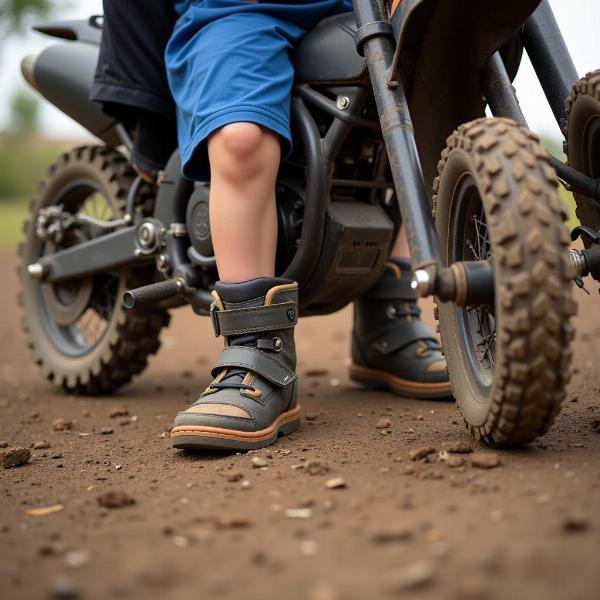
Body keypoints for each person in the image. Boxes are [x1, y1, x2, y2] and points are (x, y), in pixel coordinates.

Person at [92, 0, 451, 452]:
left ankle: (388, 320)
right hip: (236, 9)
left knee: (400, 130)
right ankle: (256, 350)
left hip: (356, 6)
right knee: (241, 138)